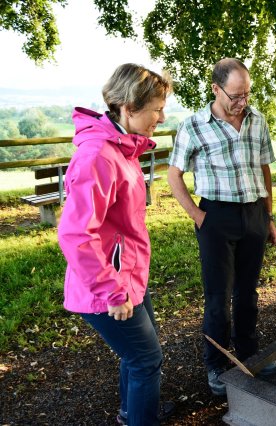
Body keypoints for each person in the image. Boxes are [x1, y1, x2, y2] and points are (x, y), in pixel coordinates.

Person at [57, 64, 175, 425]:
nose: (161, 117)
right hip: (109, 285)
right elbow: (76, 234)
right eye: (156, 109)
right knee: (146, 360)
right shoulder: (98, 156)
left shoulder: (122, 148)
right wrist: (112, 290)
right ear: (129, 107)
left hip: (128, 275)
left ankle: (132, 411)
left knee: (138, 356)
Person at [167, 58, 276, 397]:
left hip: (254, 214)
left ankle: (248, 352)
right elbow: (174, 175)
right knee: (218, 297)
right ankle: (216, 364)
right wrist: (198, 216)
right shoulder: (193, 126)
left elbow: (264, 169)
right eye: (235, 95)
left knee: (248, 292)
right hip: (216, 216)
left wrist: (269, 216)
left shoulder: (258, 120)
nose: (242, 101)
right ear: (216, 89)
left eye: (247, 94)